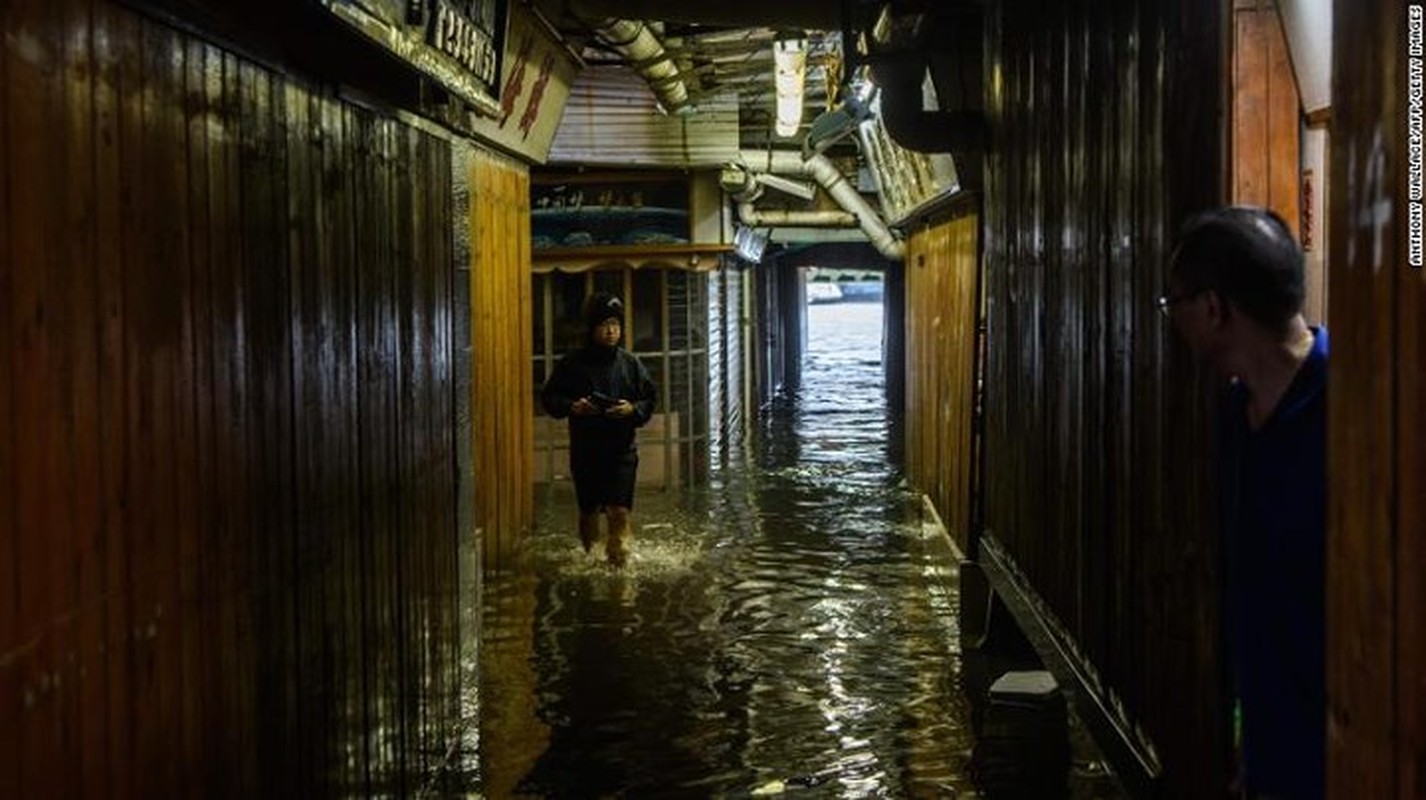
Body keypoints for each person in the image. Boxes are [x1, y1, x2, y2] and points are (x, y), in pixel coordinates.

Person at [1162, 206, 1326, 800]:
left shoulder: (1356, 410)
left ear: (1212, 308)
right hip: (1271, 745)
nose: (1171, 320)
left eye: (1172, 304)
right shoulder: (1236, 415)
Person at [541, 291, 657, 567]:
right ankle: (591, 561)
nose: (611, 331)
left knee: (619, 510)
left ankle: (620, 566)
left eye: (615, 325)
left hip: (621, 451)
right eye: (605, 325)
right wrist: (573, 406)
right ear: (592, 328)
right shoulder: (572, 364)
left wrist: (633, 410)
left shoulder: (630, 364)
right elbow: (549, 398)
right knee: (589, 511)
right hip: (586, 451)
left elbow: (650, 399)